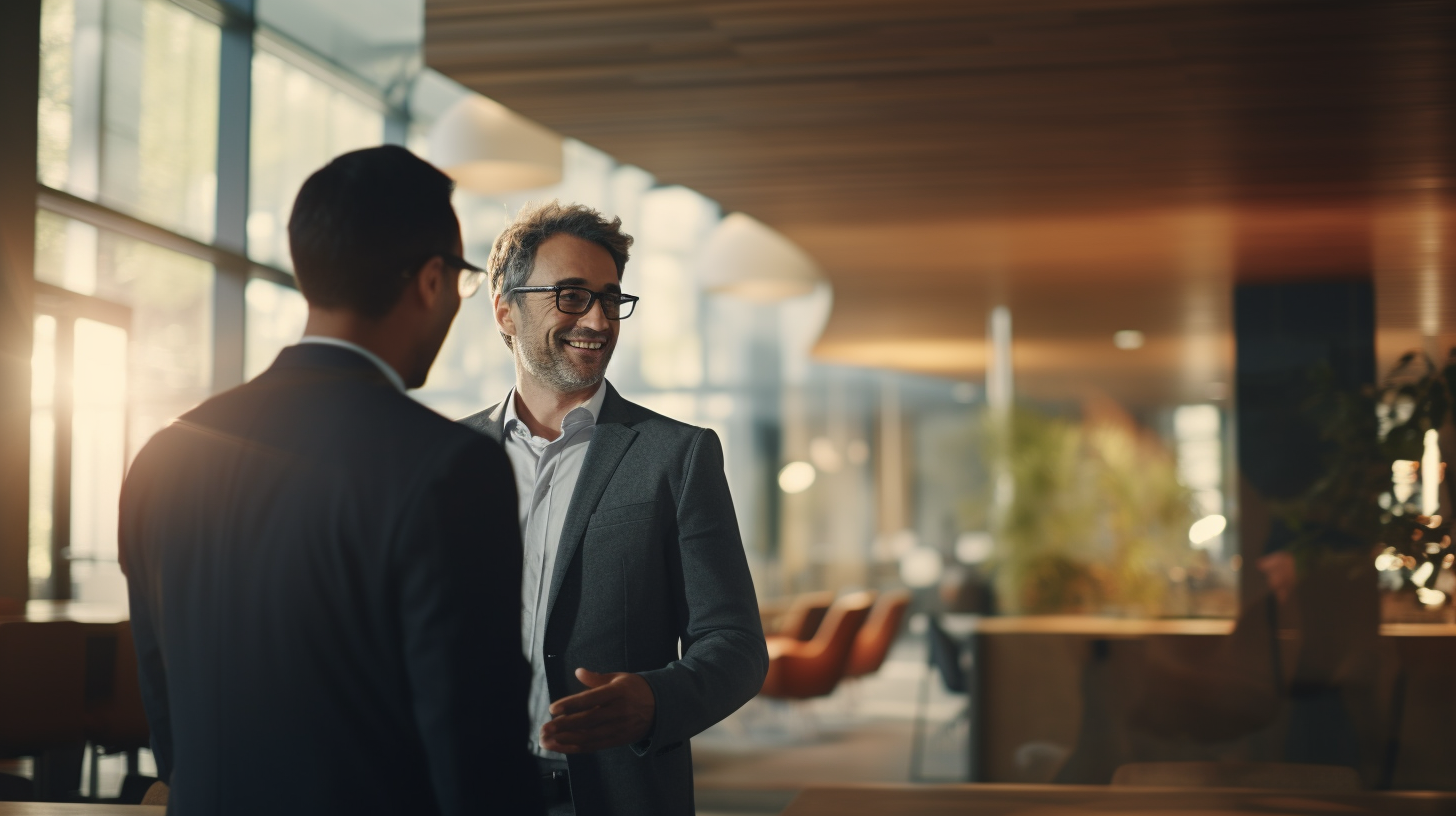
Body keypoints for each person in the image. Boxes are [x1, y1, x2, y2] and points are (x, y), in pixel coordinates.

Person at [119, 146, 542, 815]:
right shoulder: (449, 467)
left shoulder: (164, 455)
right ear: (431, 280)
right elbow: (476, 753)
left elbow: (164, 704)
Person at [459, 202, 768, 816]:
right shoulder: (447, 459)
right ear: (505, 310)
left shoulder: (676, 456)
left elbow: (736, 645)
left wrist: (656, 699)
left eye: (610, 297)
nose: (599, 319)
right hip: (468, 790)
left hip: (617, 796)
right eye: (572, 296)